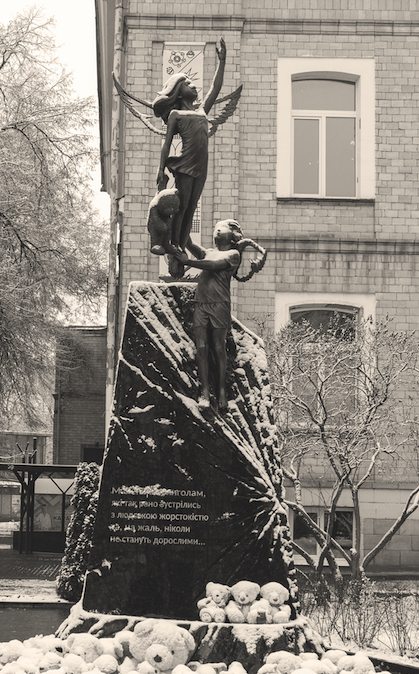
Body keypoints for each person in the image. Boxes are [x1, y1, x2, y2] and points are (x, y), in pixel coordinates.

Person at [170, 219, 268, 409]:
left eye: (221, 229)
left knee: (218, 346)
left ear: (233, 236)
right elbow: (188, 242)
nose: (216, 231)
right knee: (201, 346)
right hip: (201, 302)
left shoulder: (233, 255)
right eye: (215, 229)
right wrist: (181, 220)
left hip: (220, 304)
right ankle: (205, 391)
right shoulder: (208, 252)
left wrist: (188, 261)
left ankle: (221, 390)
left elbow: (212, 266)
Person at [152, 39, 228, 272]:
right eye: (189, 84)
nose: (194, 87)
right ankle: (174, 245)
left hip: (201, 166)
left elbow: (216, 88)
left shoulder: (202, 110)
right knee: (181, 207)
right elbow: (166, 145)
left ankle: (181, 245)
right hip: (184, 165)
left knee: (192, 206)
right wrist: (160, 169)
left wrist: (222, 61)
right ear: (177, 90)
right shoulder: (175, 113)